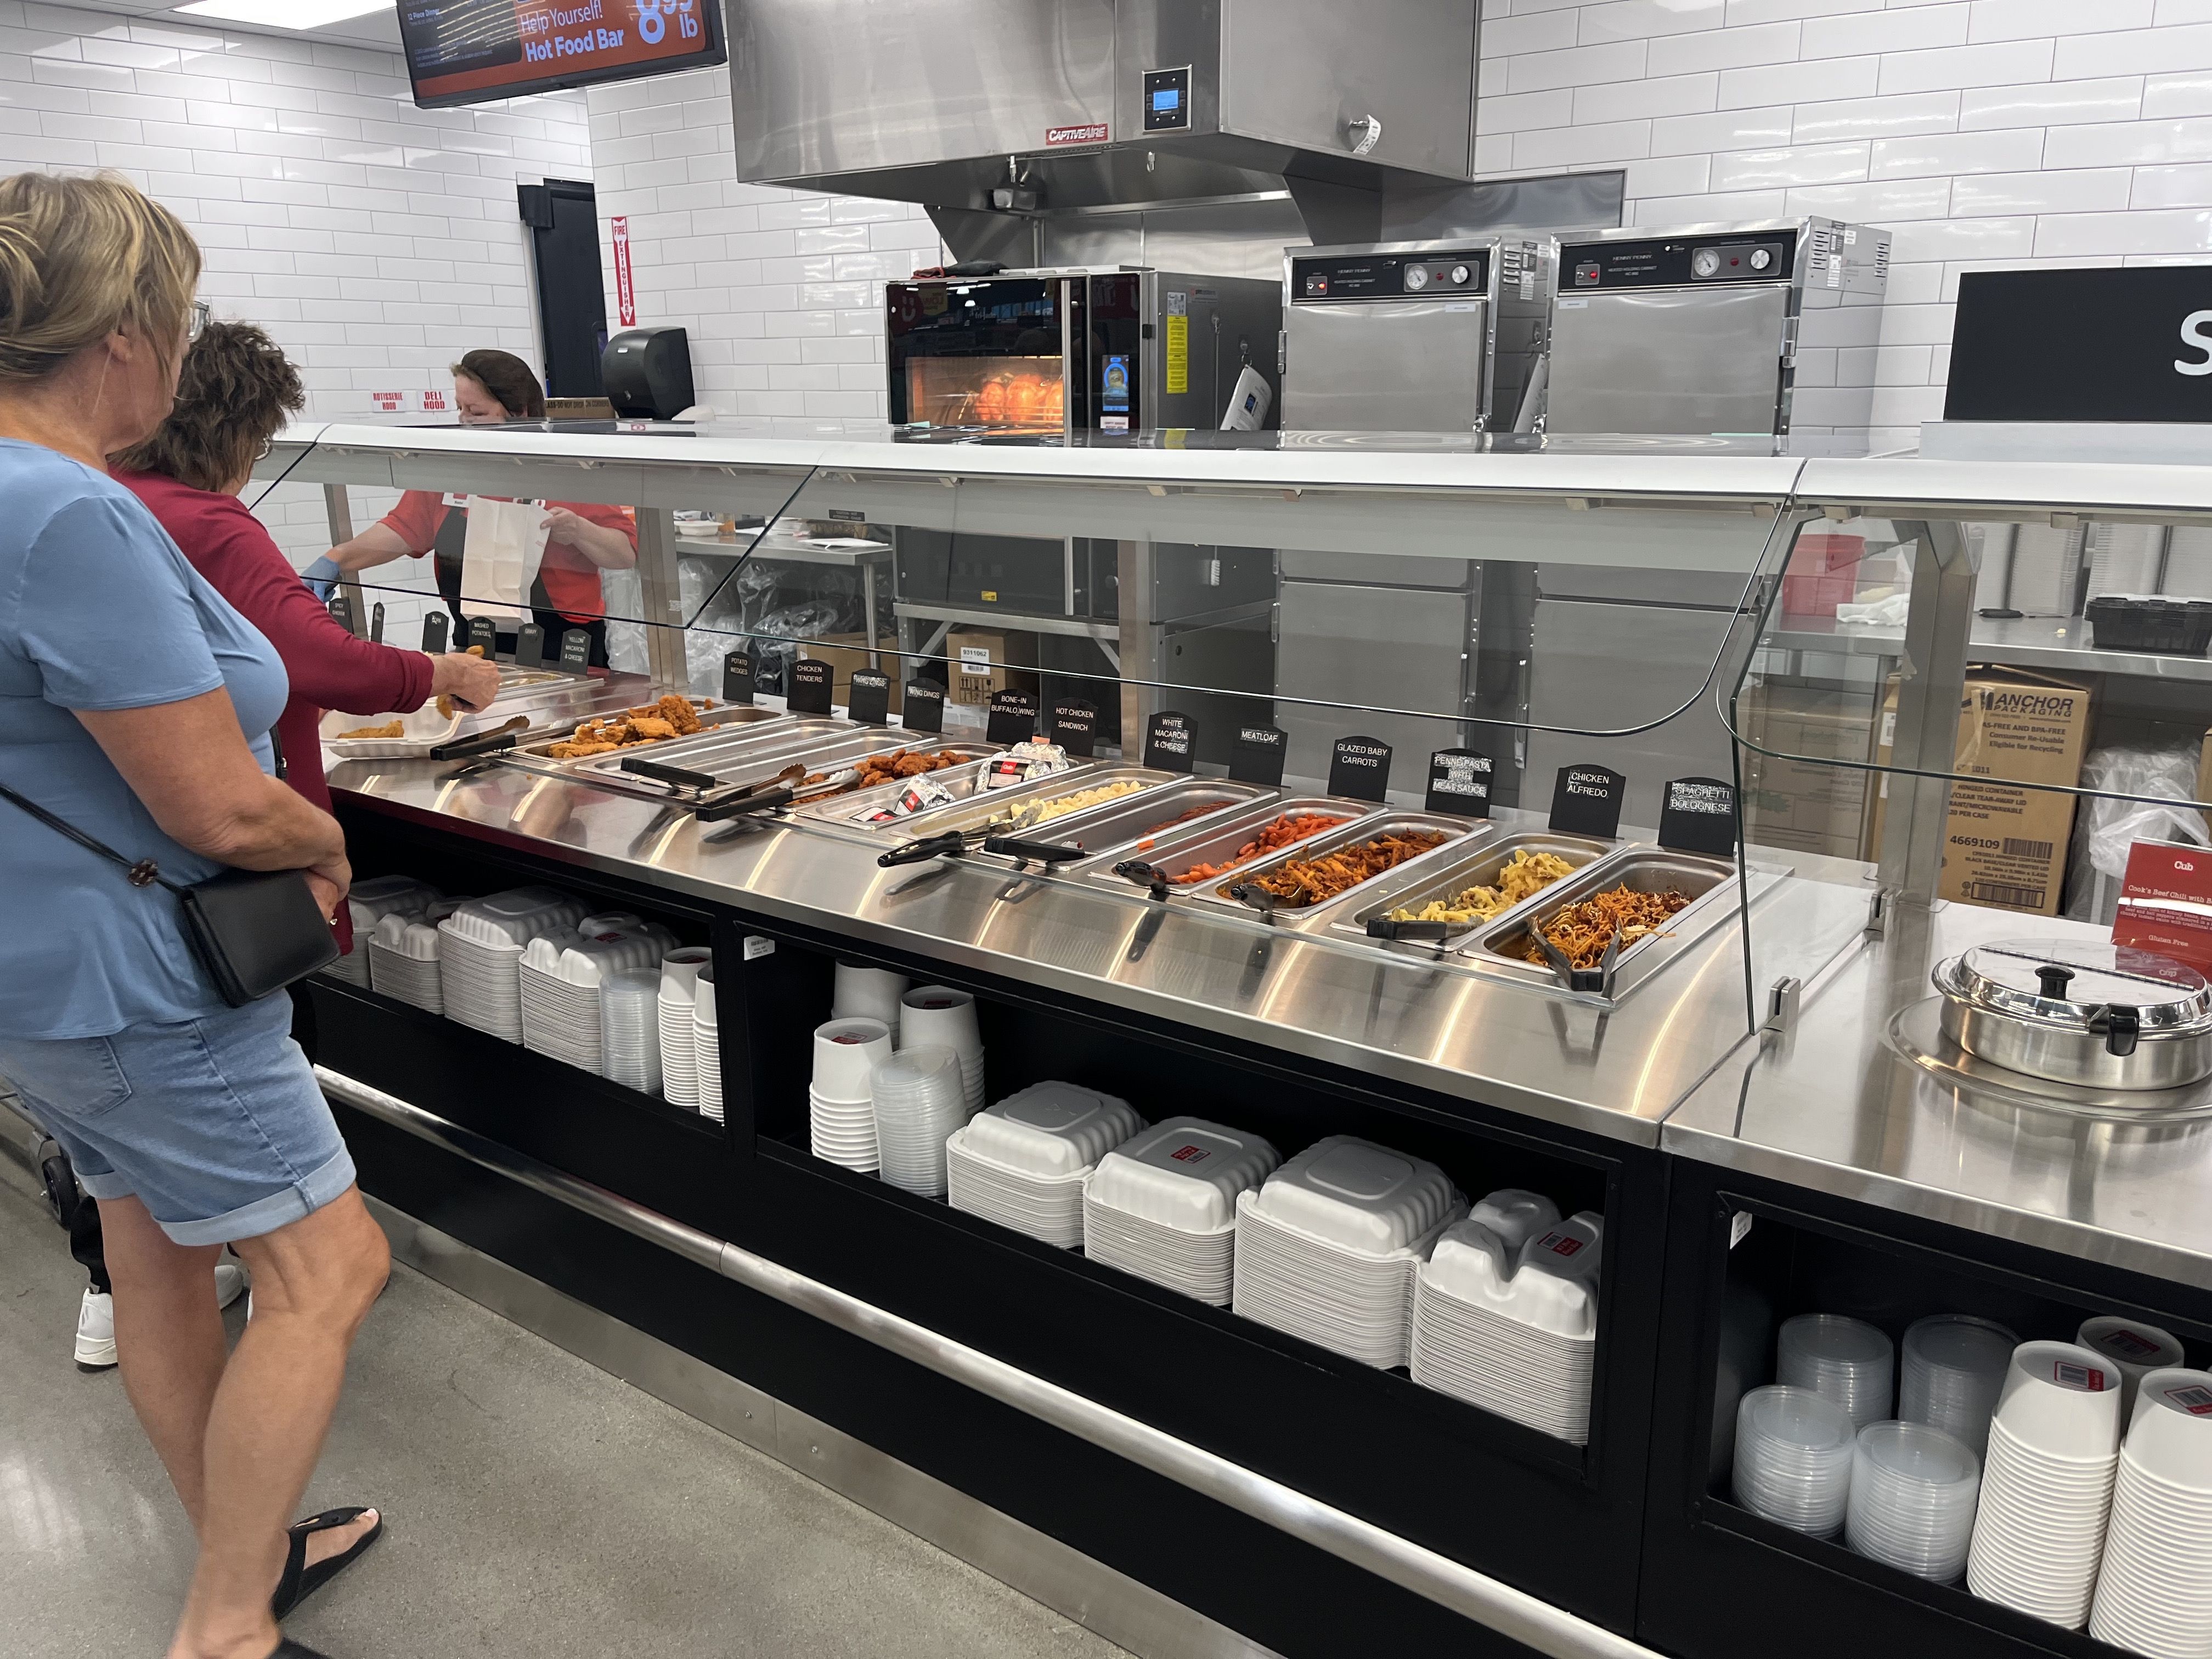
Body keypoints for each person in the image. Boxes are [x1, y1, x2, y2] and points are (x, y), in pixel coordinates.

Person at [0, 170, 386, 1659]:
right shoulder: (63, 512)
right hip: (141, 983)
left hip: (43, 975)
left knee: (157, 1253)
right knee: (330, 1269)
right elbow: (215, 804)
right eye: (178, 318)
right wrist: (321, 835)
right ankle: (227, 1627)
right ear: (123, 339)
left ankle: (245, 1549)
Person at [23, 320, 505, 1375]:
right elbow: (305, 662)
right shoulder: (166, 517)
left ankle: (159, 1285)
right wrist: (420, 699)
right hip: (176, 936)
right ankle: (249, 1252)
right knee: (327, 1262)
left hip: (60, 960)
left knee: (144, 1235)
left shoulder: (99, 498)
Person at [322, 348, 637, 665]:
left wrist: (580, 531)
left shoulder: (568, 470)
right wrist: (334, 561)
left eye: (476, 412)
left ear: (521, 412)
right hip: (473, 645)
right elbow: (401, 531)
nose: (464, 421)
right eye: (460, 409)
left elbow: (625, 554)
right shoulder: (450, 471)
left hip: (564, 648)